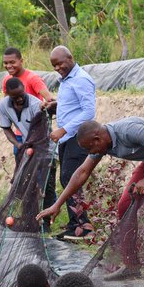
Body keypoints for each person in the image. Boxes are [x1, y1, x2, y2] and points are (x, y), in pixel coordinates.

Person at [38, 118, 144, 287]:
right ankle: (131, 266)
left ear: (97, 139)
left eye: (90, 148)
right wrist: (57, 204)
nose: (90, 153)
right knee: (125, 205)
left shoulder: (128, 130)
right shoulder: (101, 143)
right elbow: (83, 171)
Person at [49, 45, 97, 242]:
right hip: (67, 138)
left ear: (70, 58)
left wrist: (64, 129)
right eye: (54, 66)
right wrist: (54, 106)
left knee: (71, 178)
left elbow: (88, 112)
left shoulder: (81, 79)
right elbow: (72, 105)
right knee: (67, 179)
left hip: (78, 137)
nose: (58, 68)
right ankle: (75, 224)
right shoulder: (66, 80)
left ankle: (84, 227)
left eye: (60, 63)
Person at [0, 77, 58, 221]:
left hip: (46, 150)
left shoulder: (36, 105)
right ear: (7, 94)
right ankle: (29, 217)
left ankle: (46, 222)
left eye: (21, 95)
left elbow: (42, 131)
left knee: (46, 187)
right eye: (14, 97)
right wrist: (19, 146)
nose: (19, 99)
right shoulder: (4, 105)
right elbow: (6, 128)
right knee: (28, 185)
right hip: (28, 150)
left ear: (24, 90)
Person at [0, 46, 54, 138]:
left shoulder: (32, 79)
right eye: (5, 63)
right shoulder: (7, 80)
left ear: (21, 61)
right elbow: (5, 105)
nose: (8, 66)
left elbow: (49, 99)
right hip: (20, 133)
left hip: (36, 133)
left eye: (12, 62)